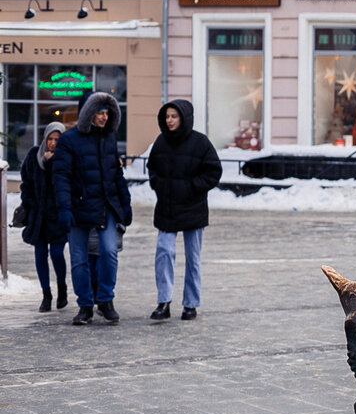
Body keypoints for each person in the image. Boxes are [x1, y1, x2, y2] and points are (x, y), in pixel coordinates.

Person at [53, 91, 132, 325]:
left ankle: (106, 300)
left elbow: (116, 173)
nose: (104, 117)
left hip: (105, 206)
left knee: (109, 252)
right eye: (99, 112)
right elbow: (61, 177)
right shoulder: (69, 140)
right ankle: (85, 305)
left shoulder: (109, 138)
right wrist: (64, 208)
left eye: (107, 112)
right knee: (79, 259)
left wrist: (125, 203)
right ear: (88, 113)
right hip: (78, 208)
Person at [147, 99, 223, 321]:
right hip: (167, 208)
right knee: (164, 252)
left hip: (193, 208)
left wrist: (191, 187)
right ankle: (164, 301)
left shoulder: (200, 143)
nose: (169, 120)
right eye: (167, 116)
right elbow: (152, 169)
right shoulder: (161, 142)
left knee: (193, 258)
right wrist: (159, 186)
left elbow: (213, 172)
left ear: (184, 117)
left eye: (174, 116)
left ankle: (190, 304)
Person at [19, 121, 69, 312]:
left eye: (57, 140)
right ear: (45, 138)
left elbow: (65, 183)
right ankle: (46, 294)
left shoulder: (65, 158)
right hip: (38, 215)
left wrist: (52, 163)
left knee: (57, 253)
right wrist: (29, 203)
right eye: (50, 139)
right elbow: (26, 184)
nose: (53, 143)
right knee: (40, 254)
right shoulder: (34, 155)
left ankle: (62, 288)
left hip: (57, 215)